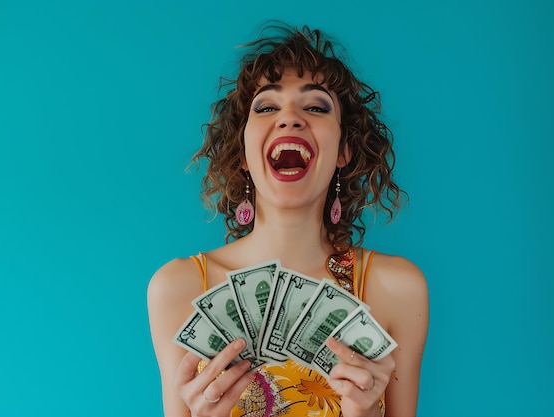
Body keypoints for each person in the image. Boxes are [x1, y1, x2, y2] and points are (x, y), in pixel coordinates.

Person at [147, 22, 429, 417]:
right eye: (266, 107)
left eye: (315, 107)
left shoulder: (397, 290)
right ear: (243, 154)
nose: (290, 118)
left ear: (344, 150)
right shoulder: (178, 289)